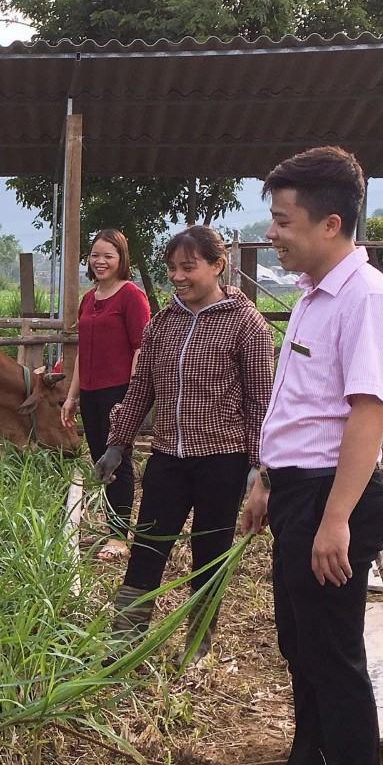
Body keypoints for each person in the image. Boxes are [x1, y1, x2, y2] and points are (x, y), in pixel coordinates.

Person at [237, 147, 383, 765]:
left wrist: (335, 518)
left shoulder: (368, 299)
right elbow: (297, 405)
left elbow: (367, 414)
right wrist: (265, 480)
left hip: (337, 496)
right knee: (299, 645)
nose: (273, 233)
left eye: (283, 221)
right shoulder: (314, 295)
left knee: (334, 657)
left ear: (330, 223)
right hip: (299, 490)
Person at [93, 225, 275, 660]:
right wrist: (117, 443)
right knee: (148, 546)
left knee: (209, 552)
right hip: (168, 458)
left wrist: (259, 466)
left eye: (188, 267)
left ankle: (198, 643)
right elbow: (141, 389)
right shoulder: (164, 324)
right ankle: (125, 637)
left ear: (218, 265)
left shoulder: (245, 324)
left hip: (223, 461)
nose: (178, 276)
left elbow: (261, 400)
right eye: (172, 268)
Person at [60, 229, 151, 560]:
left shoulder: (131, 296)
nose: (100, 261)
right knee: (100, 456)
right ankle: (112, 526)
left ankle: (118, 537)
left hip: (119, 391)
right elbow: (84, 351)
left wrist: (131, 396)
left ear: (121, 259)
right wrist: (72, 397)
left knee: (119, 459)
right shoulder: (90, 297)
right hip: (90, 392)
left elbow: (141, 349)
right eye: (95, 255)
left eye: (108, 256)